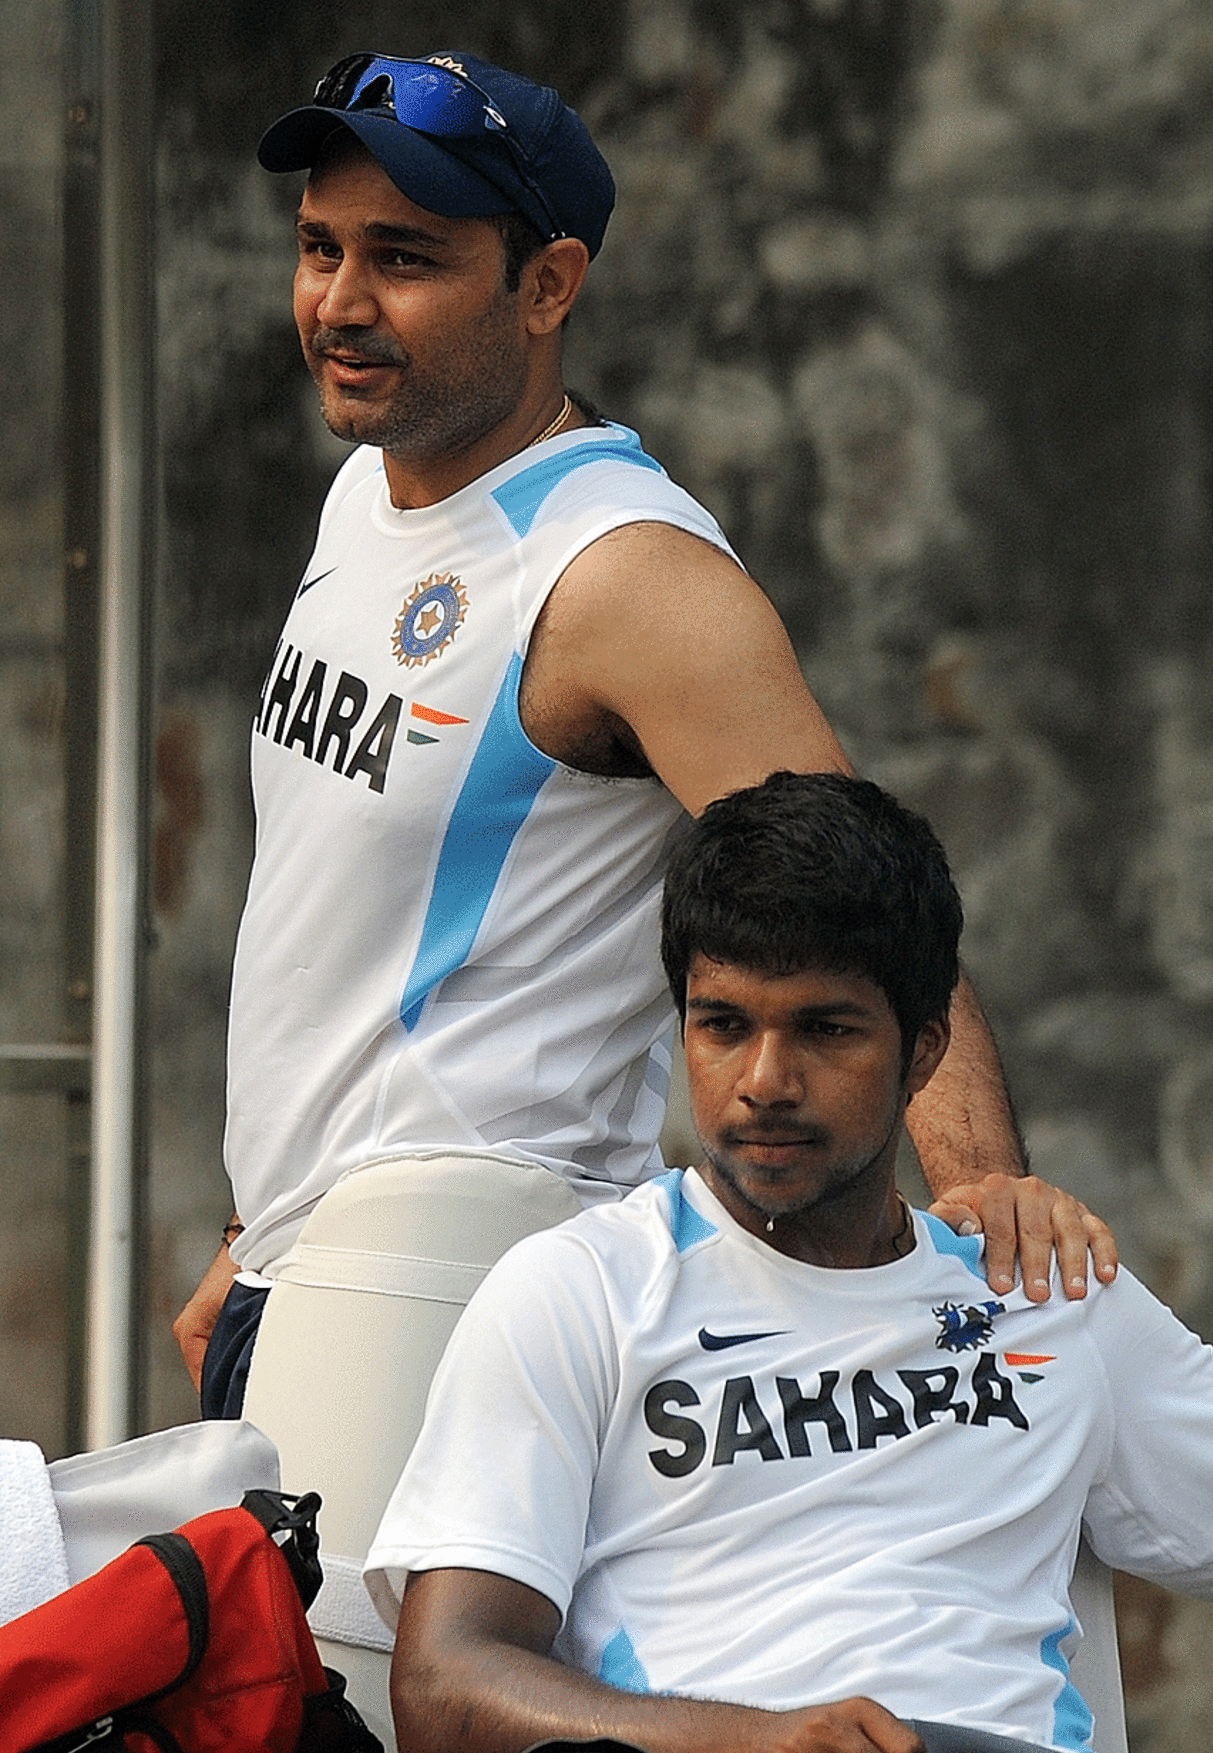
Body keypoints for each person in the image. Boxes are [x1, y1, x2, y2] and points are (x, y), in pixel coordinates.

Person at [173, 51, 1116, 1418]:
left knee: (421, 1649)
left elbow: (862, 901)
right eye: (320, 249)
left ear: (549, 285)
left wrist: (978, 1207)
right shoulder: (371, 492)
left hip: (461, 1297)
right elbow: (342, 934)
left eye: (407, 258)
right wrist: (256, 1232)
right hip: (311, 1275)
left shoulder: (623, 575)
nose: (342, 303)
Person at [367, 771, 1213, 1753]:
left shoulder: (1040, 1289)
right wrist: (731, 1742)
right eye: (721, 1025)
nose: (763, 1080)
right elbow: (443, 1686)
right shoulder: (584, 1289)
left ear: (923, 1052)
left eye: (824, 1030)